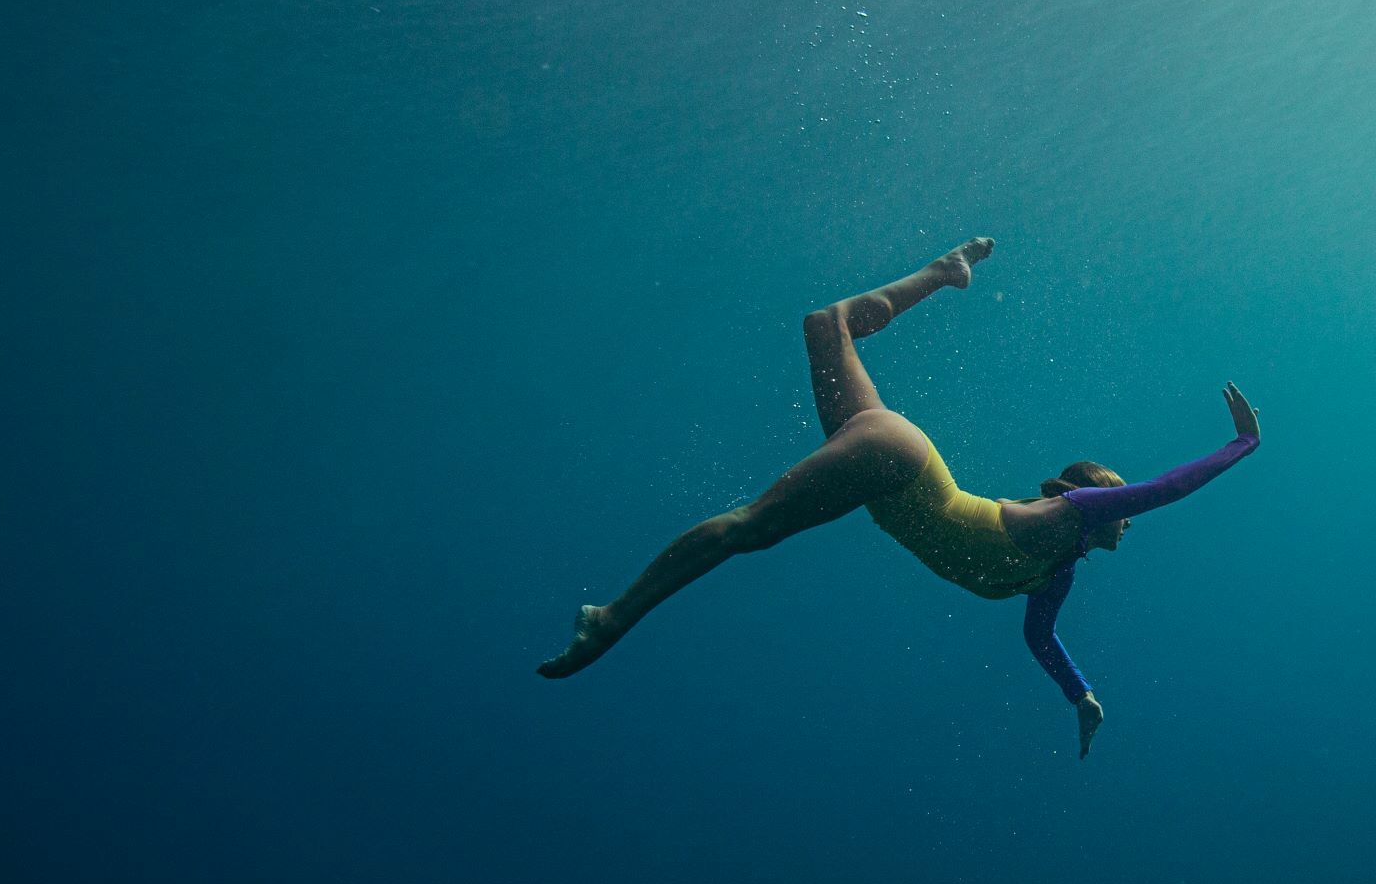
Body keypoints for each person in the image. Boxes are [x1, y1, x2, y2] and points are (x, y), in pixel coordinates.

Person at [537, 238, 1260, 757]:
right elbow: (1165, 489)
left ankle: (943, 272)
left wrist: (1082, 697)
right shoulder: (1071, 516)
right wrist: (1241, 445)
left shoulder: (1056, 569)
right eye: (1113, 492)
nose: (1124, 508)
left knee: (827, 325)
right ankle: (611, 618)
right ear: (1078, 492)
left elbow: (1039, 637)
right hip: (900, 462)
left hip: (886, 472)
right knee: (749, 530)